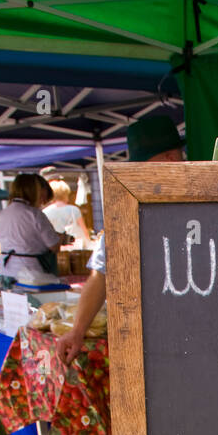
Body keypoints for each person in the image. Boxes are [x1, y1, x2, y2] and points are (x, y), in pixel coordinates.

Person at [56, 114, 184, 366]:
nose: (138, 176)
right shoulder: (128, 210)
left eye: (143, 166)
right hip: (153, 345)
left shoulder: (208, 202)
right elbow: (102, 273)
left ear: (171, 158)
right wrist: (78, 329)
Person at [0, 172, 71, 287]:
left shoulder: (1, 215)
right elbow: (54, 246)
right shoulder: (34, 214)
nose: (42, 202)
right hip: (30, 273)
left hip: (6, 270)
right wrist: (61, 237)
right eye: (42, 198)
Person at [43, 179, 92, 249]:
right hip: (73, 246)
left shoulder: (45, 212)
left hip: (55, 247)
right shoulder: (74, 210)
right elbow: (84, 231)